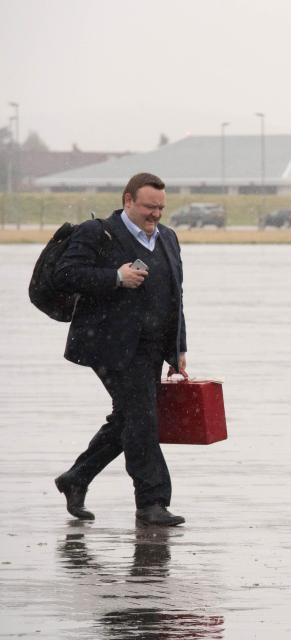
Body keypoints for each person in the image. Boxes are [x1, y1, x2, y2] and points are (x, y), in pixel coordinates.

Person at [53, 172, 188, 527]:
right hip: (107, 345)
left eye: (160, 207)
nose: (156, 213)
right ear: (128, 200)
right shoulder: (98, 233)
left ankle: (76, 478)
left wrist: (178, 350)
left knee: (129, 418)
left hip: (150, 349)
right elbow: (65, 275)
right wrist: (116, 277)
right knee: (142, 419)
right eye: (148, 206)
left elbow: (176, 297)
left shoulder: (168, 239)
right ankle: (152, 501)